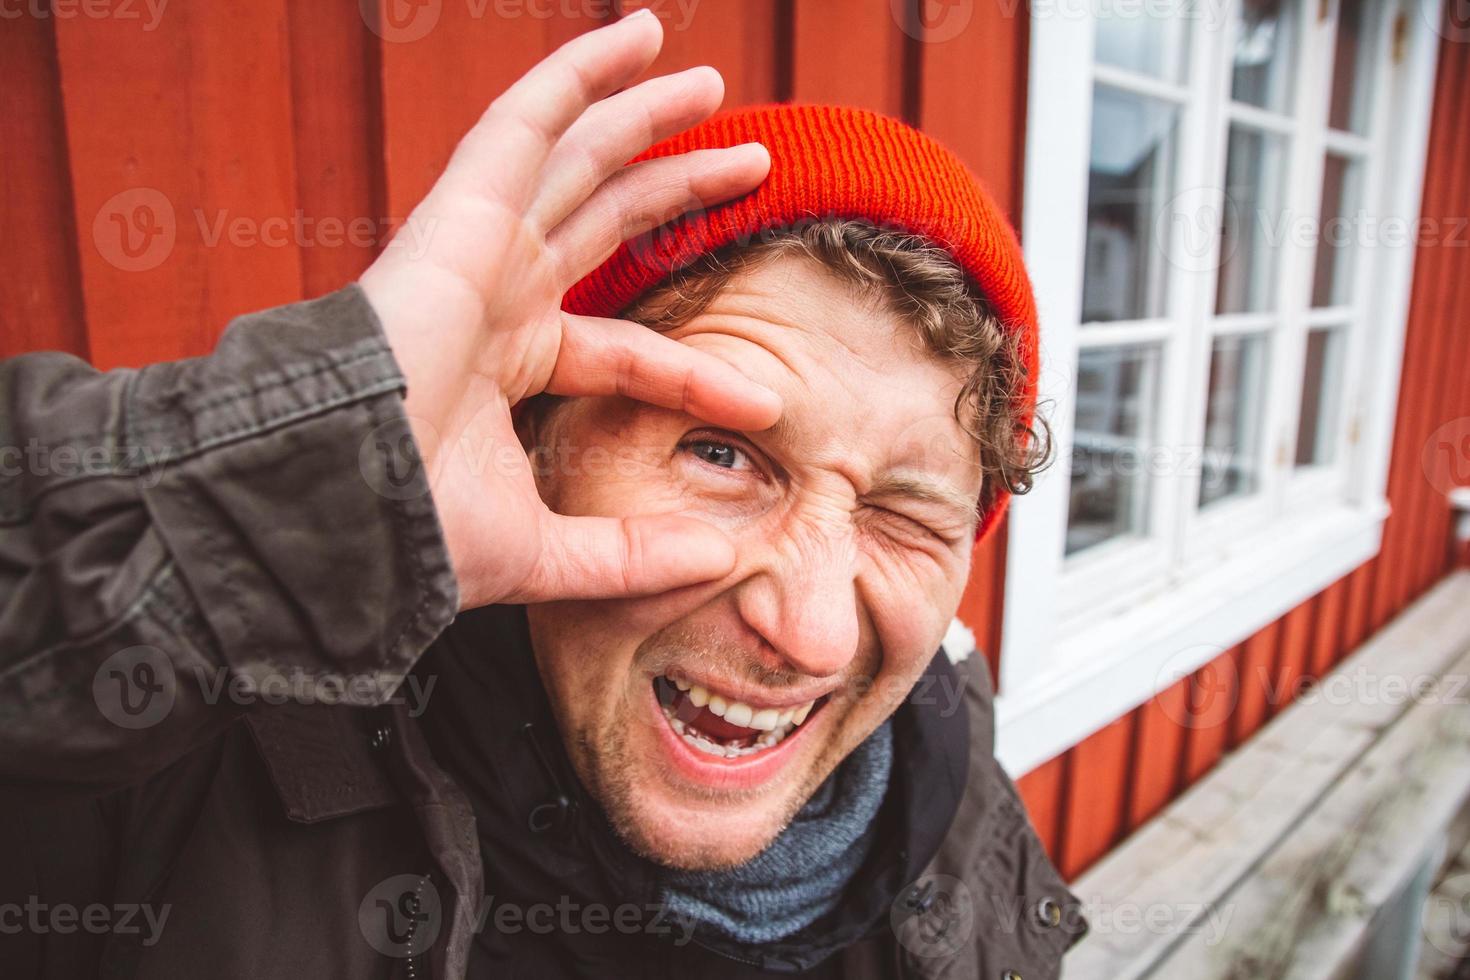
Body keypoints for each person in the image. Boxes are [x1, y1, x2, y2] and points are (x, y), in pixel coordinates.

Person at [0, 12, 1084, 979]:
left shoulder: (952, 788)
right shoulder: (183, 776)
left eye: (903, 516)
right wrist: (311, 482)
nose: (805, 631)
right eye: (720, 452)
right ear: (532, 434)